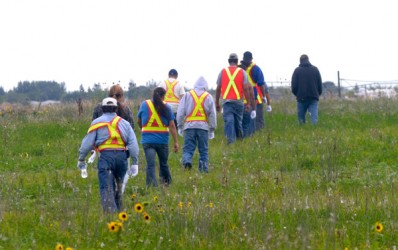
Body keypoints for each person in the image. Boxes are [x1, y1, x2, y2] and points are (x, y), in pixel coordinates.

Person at [78, 97, 139, 213]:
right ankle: (120, 215)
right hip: (122, 157)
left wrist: (81, 159)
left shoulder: (96, 123)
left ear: (102, 108)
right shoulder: (125, 123)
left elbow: (87, 144)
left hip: (105, 157)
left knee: (107, 188)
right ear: (116, 109)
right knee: (119, 188)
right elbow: (133, 144)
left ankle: (112, 216)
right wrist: (135, 163)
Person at [137, 87, 179, 187]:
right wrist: (176, 142)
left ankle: (151, 186)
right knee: (163, 163)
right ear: (163, 96)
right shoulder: (167, 107)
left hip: (148, 140)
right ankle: (166, 183)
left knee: (150, 164)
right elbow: (172, 125)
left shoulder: (144, 104)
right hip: (162, 141)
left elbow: (139, 121)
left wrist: (143, 128)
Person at [176, 76, 217, 173]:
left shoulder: (187, 95)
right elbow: (212, 114)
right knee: (203, 151)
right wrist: (212, 129)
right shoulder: (208, 96)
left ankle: (187, 161)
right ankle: (203, 171)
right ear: (205, 86)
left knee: (188, 149)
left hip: (189, 126)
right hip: (203, 127)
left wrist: (180, 126)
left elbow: (180, 112)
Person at [215, 53, 255, 144]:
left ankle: (231, 142)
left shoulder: (222, 72)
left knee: (229, 122)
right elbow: (245, 88)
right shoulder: (242, 72)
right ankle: (239, 141)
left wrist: (217, 103)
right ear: (237, 62)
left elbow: (218, 89)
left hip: (227, 103)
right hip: (239, 103)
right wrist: (248, 103)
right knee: (238, 123)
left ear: (229, 61)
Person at [240, 51, 272, 131]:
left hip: (241, 97)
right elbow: (261, 84)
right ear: (251, 59)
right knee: (257, 118)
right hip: (254, 97)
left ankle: (245, 135)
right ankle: (255, 134)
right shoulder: (256, 69)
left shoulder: (239, 68)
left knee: (244, 119)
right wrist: (264, 96)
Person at [291, 54, 323, 125]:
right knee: (314, 120)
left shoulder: (297, 71)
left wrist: (298, 94)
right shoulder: (315, 69)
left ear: (300, 61)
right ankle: (314, 133)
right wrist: (317, 94)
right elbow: (320, 85)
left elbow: (294, 86)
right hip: (313, 98)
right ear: (308, 60)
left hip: (301, 98)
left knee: (301, 121)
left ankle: (302, 133)